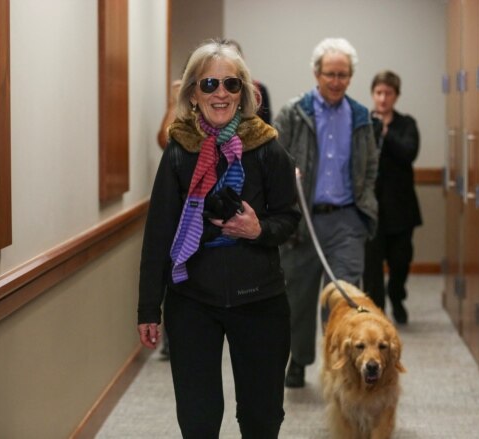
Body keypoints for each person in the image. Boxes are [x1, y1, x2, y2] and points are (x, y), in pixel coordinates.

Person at [137, 39, 301, 438]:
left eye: (231, 85)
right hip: (192, 301)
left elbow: (289, 219)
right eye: (209, 84)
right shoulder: (178, 150)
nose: (221, 94)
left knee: (262, 418)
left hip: (260, 300)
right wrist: (147, 308)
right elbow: (159, 232)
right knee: (198, 419)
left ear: (244, 93)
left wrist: (258, 229)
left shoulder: (267, 147)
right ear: (193, 92)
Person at [274, 37, 379, 388]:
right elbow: (273, 159)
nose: (336, 81)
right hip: (301, 219)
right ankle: (299, 360)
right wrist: (288, 177)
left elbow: (371, 167)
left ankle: (339, 366)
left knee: (344, 299)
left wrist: (364, 209)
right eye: (330, 74)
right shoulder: (293, 113)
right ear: (317, 74)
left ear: (351, 77)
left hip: (347, 221)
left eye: (343, 75)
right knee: (298, 298)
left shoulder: (362, 116)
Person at [363, 70, 422, 325]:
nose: (383, 98)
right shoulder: (362, 122)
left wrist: (385, 132)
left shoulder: (406, 124)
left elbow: (409, 153)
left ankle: (396, 296)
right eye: (378, 93)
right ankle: (377, 312)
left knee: (400, 261)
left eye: (388, 93)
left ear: (396, 96)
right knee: (372, 267)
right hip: (372, 209)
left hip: (401, 208)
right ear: (373, 94)